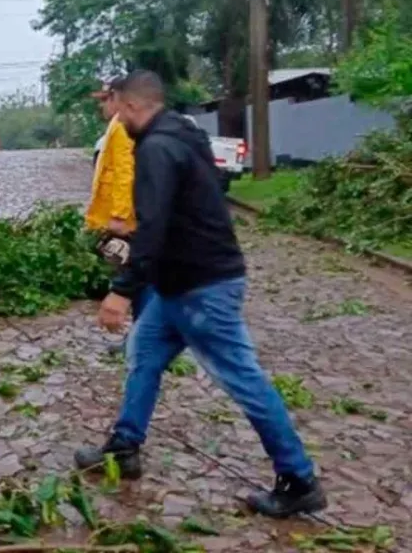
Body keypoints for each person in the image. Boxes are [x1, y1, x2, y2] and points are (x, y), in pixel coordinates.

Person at [74, 70, 326, 519]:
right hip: (178, 285)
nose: (116, 119)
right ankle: (124, 447)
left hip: (203, 287)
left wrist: (120, 291)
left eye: (117, 109)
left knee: (243, 380)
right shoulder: (185, 132)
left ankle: (299, 478)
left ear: (132, 106)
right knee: (144, 354)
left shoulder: (156, 148)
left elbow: (152, 229)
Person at [85, 79, 139, 356]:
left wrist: (118, 215)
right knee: (138, 278)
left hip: (124, 221)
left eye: (105, 99)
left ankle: (142, 343)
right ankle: (144, 341)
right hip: (119, 217)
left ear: (118, 99)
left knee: (135, 277)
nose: (101, 105)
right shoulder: (116, 126)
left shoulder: (120, 128)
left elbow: (124, 173)